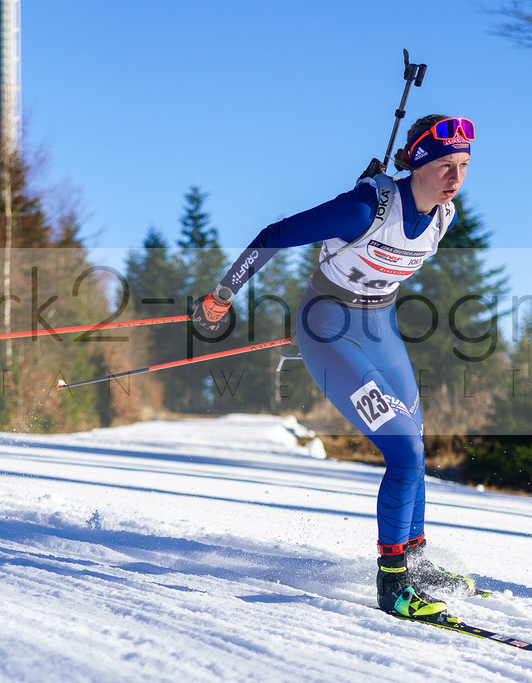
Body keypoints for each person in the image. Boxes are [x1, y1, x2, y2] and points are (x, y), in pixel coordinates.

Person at [192, 115, 476, 620]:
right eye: (442, 166)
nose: (454, 177)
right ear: (415, 163)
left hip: (380, 325)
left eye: (462, 165)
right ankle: (393, 587)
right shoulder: (366, 206)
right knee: (405, 451)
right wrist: (224, 293)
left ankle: (416, 562)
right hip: (328, 328)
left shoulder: (444, 215)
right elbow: (275, 233)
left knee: (415, 437)